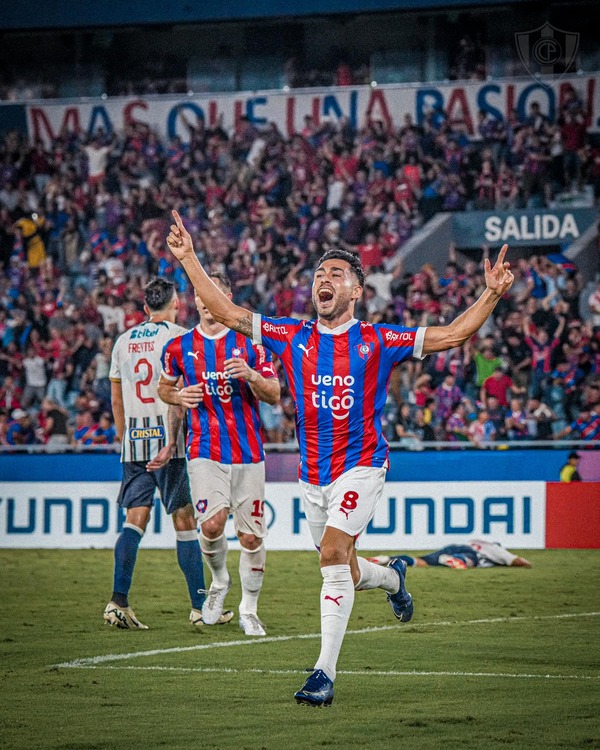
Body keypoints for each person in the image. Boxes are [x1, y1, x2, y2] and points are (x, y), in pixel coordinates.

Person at [166, 209, 514, 707]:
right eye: (318, 275)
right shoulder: (291, 336)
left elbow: (451, 335)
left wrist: (492, 293)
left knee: (331, 556)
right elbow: (226, 312)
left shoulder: (378, 339)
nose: (323, 281)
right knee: (345, 569)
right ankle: (393, 577)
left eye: (336, 275)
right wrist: (190, 259)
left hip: (363, 463)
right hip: (313, 477)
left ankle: (322, 675)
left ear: (356, 292)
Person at [158, 273, 280, 637]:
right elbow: (164, 388)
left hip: (248, 453)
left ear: (226, 298)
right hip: (204, 449)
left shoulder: (250, 344)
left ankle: (250, 610)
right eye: (200, 293)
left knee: (251, 538)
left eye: (215, 294)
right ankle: (219, 581)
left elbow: (274, 393)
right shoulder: (179, 348)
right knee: (211, 525)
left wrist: (251, 377)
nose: (206, 299)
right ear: (196, 300)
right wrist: (178, 397)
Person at [104, 277, 230, 631]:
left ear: (145, 308)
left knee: (135, 520)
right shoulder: (179, 337)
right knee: (184, 520)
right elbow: (188, 389)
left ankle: (118, 601)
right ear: (176, 305)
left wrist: (123, 437)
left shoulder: (122, 342)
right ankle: (199, 606)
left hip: (135, 444)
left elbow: (116, 398)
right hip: (169, 443)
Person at [367, 540, 532, 569]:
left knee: (421, 561)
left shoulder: (477, 540)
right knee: (469, 561)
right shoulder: (496, 549)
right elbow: (515, 560)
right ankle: (454, 560)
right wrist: (526, 562)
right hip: (468, 553)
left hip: (453, 547)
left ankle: (387, 559)